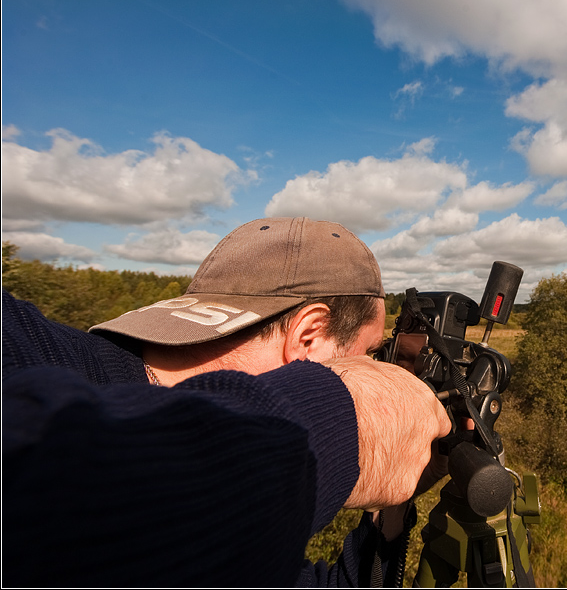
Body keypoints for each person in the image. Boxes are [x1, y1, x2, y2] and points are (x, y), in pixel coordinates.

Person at [2, 217, 451, 586]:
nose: (377, 367)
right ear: (309, 337)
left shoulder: (232, 535)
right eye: (371, 354)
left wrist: (391, 506)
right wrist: (342, 418)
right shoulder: (17, 338)